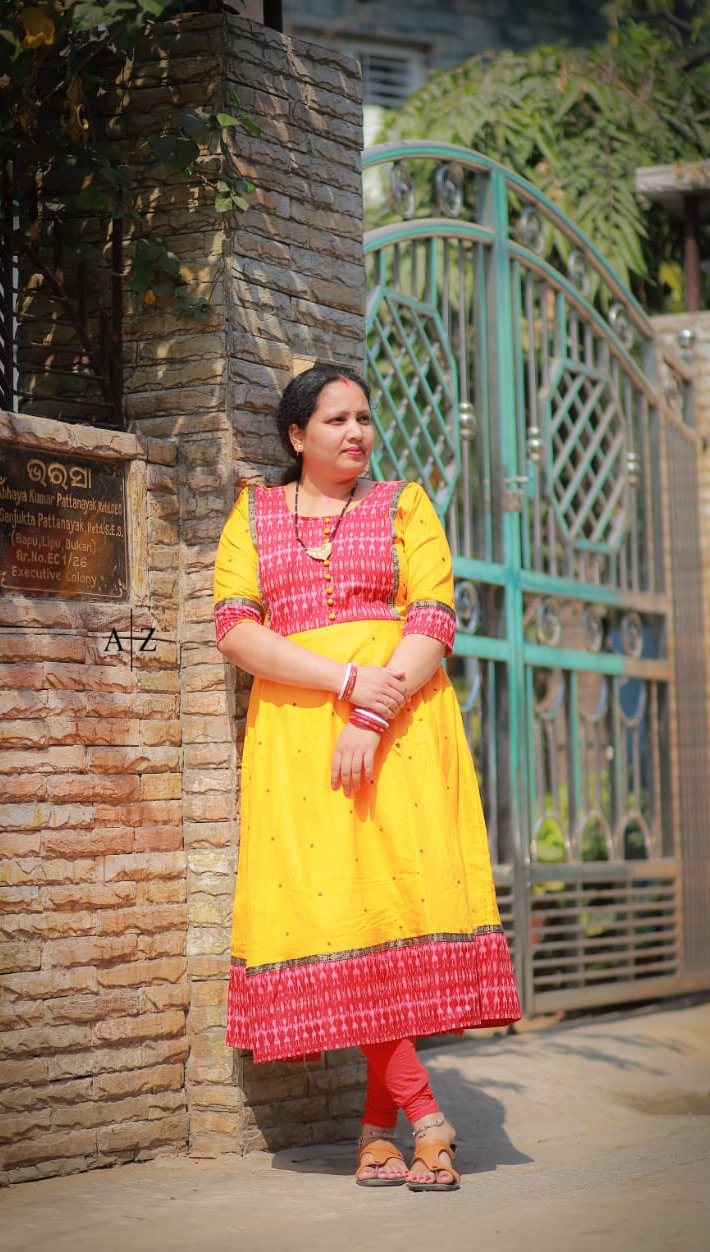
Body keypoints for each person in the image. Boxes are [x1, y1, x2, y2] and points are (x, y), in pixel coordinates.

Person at [213, 362, 521, 1191]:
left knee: (389, 915)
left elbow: (432, 616)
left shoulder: (404, 505)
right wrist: (344, 685)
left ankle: (387, 1132)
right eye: (335, 420)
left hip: (402, 731)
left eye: (363, 418)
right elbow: (235, 628)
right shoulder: (255, 513)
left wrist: (374, 711)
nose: (355, 433)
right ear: (295, 436)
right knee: (338, 916)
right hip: (299, 737)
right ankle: (418, 1118)